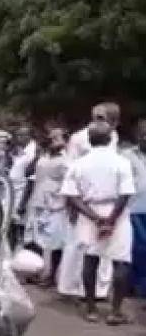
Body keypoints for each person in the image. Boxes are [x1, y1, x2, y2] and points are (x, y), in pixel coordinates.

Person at [60, 121, 135, 324]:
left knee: (90, 260)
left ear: (90, 141)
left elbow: (72, 195)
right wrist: (110, 220)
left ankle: (91, 308)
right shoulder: (121, 162)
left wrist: (95, 218)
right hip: (116, 212)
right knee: (121, 261)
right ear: (111, 139)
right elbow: (126, 193)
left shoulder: (79, 164)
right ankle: (115, 311)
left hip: (89, 212)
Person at [58, 103, 121, 299]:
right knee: (79, 244)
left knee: (105, 245)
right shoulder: (78, 138)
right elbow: (69, 168)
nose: (99, 120)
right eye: (97, 116)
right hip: (83, 199)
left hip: (108, 197)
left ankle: (100, 290)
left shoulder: (113, 136)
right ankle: (71, 287)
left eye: (103, 117)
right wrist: (72, 201)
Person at [19, 127, 69, 285]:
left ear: (65, 141)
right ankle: (33, 271)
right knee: (33, 238)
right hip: (37, 200)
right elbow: (28, 173)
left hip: (56, 204)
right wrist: (36, 157)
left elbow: (69, 183)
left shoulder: (67, 159)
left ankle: (52, 275)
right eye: (51, 138)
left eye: (56, 138)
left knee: (55, 241)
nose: (52, 140)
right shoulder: (43, 156)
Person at [124, 118, 146, 297]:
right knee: (139, 248)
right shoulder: (127, 156)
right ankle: (136, 285)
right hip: (135, 209)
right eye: (143, 133)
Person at [8, 125, 38, 249]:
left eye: (22, 135)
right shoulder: (21, 150)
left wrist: (23, 203)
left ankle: (21, 252)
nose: (19, 138)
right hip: (14, 192)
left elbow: (31, 179)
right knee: (12, 225)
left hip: (23, 194)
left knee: (22, 227)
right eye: (18, 135)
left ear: (29, 136)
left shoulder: (32, 152)